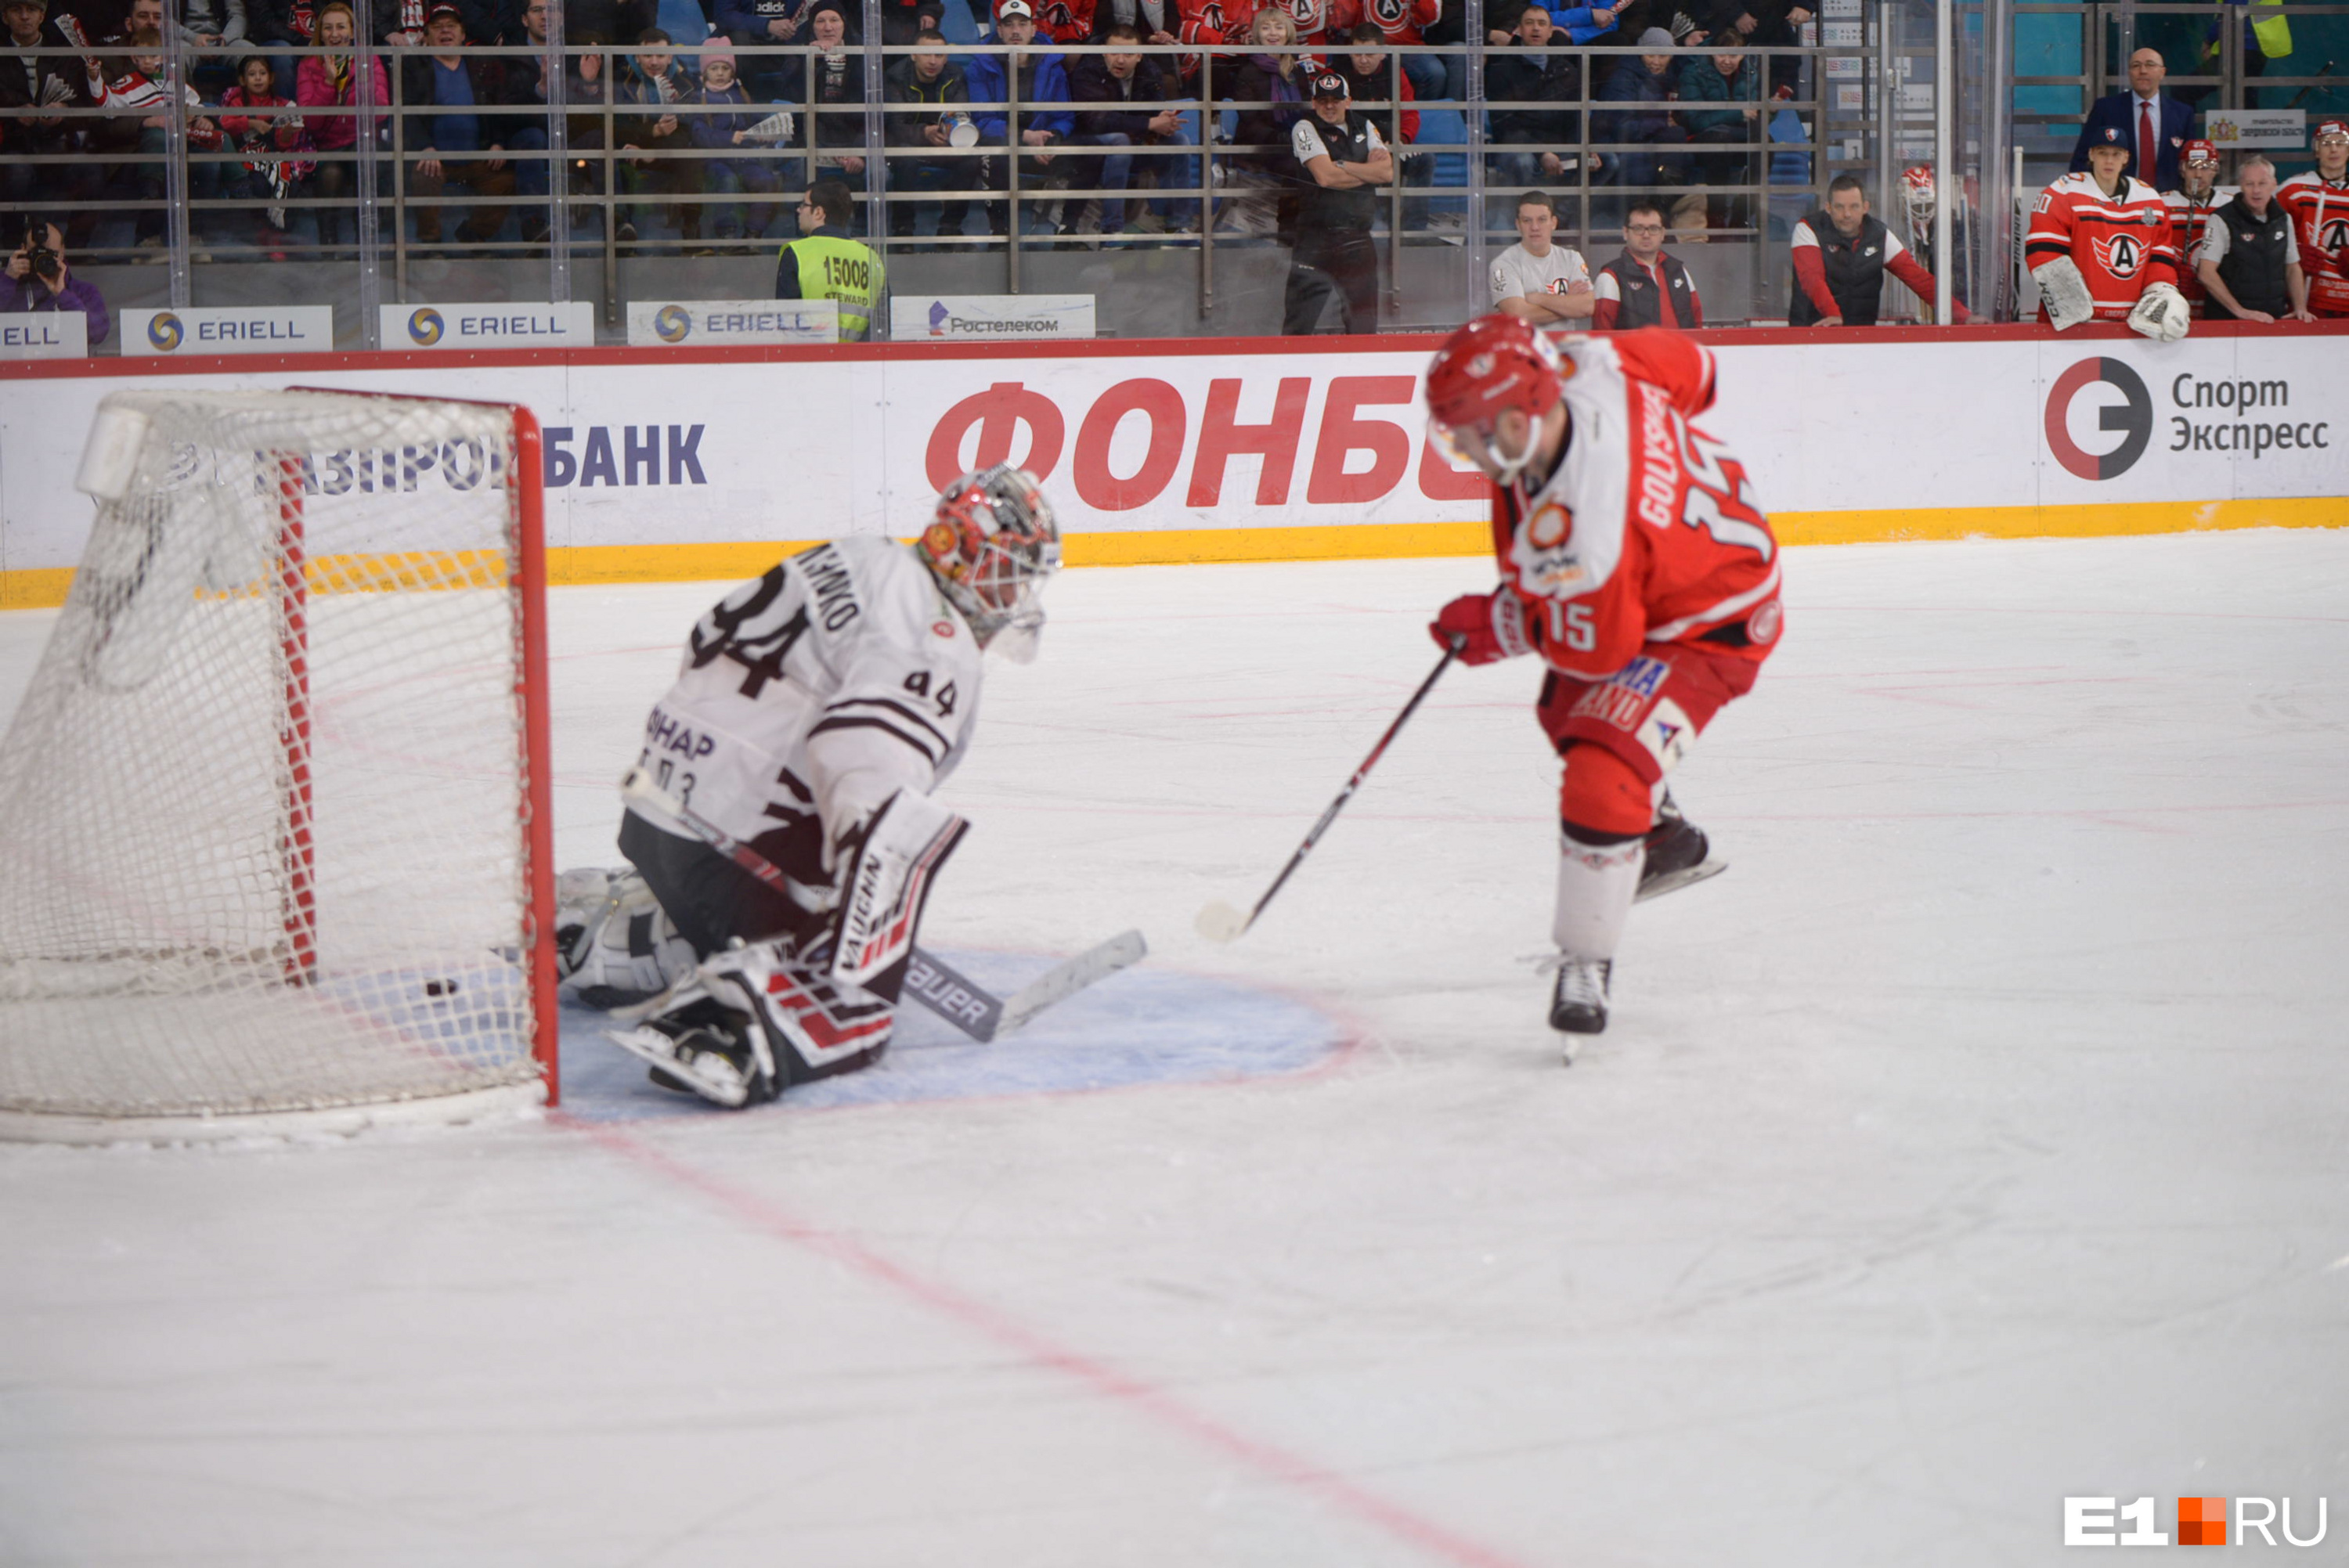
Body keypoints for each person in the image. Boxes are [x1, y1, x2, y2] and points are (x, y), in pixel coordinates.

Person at [575, 466, 1062, 1108]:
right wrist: (851, 913)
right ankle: (730, 1022)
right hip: (727, 852)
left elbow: (705, 638)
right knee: (857, 988)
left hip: (653, 814)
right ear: (954, 548)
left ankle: (618, 933)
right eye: (1005, 568)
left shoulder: (861, 555)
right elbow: (864, 762)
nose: (1013, 592)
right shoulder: (937, 638)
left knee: (792, 864)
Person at [1422, 315, 1778, 1047]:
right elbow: (1696, 369)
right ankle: (1661, 833)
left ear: (1521, 418)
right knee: (1564, 706)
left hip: (1712, 620)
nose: (1463, 450)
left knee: (1599, 769)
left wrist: (1502, 623)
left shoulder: (1586, 531)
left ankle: (1587, 959)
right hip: (1662, 575)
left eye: (1472, 433)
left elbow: (1599, 651)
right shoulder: (1592, 361)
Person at [2028, 124, 2188, 339]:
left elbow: (2159, 257)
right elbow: (2043, 251)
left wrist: (2160, 290)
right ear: (2091, 155)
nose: (2109, 161)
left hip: (2130, 325)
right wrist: (2070, 301)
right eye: (2103, 153)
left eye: (2116, 154)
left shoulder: (2149, 198)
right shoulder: (2064, 192)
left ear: (2126, 158)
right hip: (2073, 326)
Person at [400, 2, 518, 250]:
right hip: (436, 159)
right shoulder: (414, 67)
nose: (445, 32)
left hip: (477, 157)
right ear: (426, 35)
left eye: (451, 26)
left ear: (463, 34)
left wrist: (498, 143)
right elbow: (407, 115)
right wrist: (425, 148)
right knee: (423, 176)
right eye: (438, 27)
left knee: (506, 180)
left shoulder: (480, 65)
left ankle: (473, 235)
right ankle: (431, 245)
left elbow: (498, 109)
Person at [1283, 69, 1389, 334]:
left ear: (1348, 101)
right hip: (1315, 239)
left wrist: (1342, 165)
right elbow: (1326, 177)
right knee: (1299, 325)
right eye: (1323, 100)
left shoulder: (1365, 124)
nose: (1330, 106)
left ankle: (1361, 376)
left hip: (1358, 237)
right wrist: (1366, 172)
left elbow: (1387, 173)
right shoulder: (1304, 127)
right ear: (1314, 102)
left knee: (1364, 327)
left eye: (1336, 99)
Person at [1788, 171, 1967, 326]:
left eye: (1854, 206)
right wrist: (1833, 314)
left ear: (1866, 207)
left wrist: (1963, 315)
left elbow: (1919, 279)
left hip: (1862, 337)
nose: (1847, 214)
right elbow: (1811, 278)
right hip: (1811, 334)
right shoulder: (1808, 228)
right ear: (1828, 207)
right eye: (1839, 207)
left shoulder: (1880, 234)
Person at [1068, 20, 1193, 235]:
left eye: (1128, 54)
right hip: (1091, 146)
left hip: (1133, 141)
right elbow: (1096, 121)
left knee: (1179, 141)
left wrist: (1162, 120)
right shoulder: (1087, 71)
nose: (1120, 59)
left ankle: (1179, 225)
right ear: (1104, 52)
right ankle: (1112, 230)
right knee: (1120, 141)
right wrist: (1149, 123)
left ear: (1139, 56)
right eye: (1114, 52)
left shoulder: (1150, 71)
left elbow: (1154, 111)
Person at [963, 0, 1073, 236]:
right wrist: (1025, 137)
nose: (1016, 31)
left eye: (1023, 24)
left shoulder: (1052, 65)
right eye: (1009, 25)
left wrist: (1052, 138)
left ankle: (1069, 232)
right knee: (995, 150)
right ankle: (1000, 230)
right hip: (1004, 144)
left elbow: (1064, 116)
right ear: (999, 30)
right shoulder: (979, 67)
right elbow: (982, 121)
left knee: (1088, 152)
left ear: (1034, 29)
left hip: (1040, 146)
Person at [1485, 4, 1589, 201]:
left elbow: (1576, 117)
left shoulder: (1566, 69)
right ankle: (1526, 217)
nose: (1535, 28)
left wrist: (1586, 147)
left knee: (1606, 161)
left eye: (1542, 24)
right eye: (1529, 23)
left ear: (1551, 32)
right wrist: (1542, 153)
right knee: (1522, 161)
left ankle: (1560, 218)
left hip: (1558, 145)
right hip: (1518, 147)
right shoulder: (1502, 69)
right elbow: (1505, 124)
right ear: (1520, 30)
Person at [217, 52, 316, 255]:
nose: (258, 78)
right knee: (259, 185)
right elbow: (224, 124)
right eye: (252, 74)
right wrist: (250, 123)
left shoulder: (282, 105)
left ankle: (281, 234)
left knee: (292, 185)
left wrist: (287, 133)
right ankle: (263, 233)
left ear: (271, 77)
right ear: (242, 80)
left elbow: (281, 144)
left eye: (262, 73)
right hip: (247, 162)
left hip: (274, 161)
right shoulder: (236, 101)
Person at [2198, 154, 2316, 323]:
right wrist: (2241, 312)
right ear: (2241, 186)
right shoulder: (2221, 219)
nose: (2256, 190)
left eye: (2262, 183)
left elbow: (2292, 267)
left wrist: (2300, 308)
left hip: (2273, 320)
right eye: (2249, 184)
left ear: (2274, 184)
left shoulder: (2284, 219)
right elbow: (2206, 273)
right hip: (2228, 322)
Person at [689, 37, 786, 243]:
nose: (720, 73)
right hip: (715, 161)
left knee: (767, 181)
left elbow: (755, 121)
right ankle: (727, 234)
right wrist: (729, 138)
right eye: (714, 68)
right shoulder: (698, 98)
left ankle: (753, 234)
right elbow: (699, 134)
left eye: (725, 68)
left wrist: (764, 134)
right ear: (705, 71)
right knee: (727, 180)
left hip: (744, 159)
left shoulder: (741, 94)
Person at [883, 30, 976, 239]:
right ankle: (903, 228)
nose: (933, 61)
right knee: (905, 158)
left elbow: (962, 114)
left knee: (971, 160)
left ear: (946, 57)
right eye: (926, 54)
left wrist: (950, 134)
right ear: (914, 55)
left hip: (943, 142)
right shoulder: (895, 77)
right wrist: (924, 132)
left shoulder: (956, 75)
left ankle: (951, 226)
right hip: (909, 144)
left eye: (939, 55)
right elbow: (895, 126)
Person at [1, 0, 87, 218]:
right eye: (16, 10)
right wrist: (13, 112)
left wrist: (63, 111)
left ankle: (76, 246)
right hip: (13, 144)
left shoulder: (64, 55)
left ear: (42, 16)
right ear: (4, 17)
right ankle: (12, 239)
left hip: (58, 141)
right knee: (17, 172)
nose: (24, 16)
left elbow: (86, 104)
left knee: (91, 171)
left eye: (31, 10)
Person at [2069, 45, 2192, 193]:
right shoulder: (2106, 108)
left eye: (2150, 65)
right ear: (2129, 73)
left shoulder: (2182, 113)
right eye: (2136, 66)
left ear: (2162, 72)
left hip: (2167, 199)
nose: (2143, 71)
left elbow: (2189, 162)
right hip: (2117, 198)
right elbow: (2082, 158)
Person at [615, 25, 696, 243]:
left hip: (667, 152)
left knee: (692, 158)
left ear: (670, 57)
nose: (654, 62)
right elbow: (617, 128)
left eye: (660, 55)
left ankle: (692, 235)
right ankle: (624, 236)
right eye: (647, 55)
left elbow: (688, 132)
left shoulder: (686, 84)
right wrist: (654, 131)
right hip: (632, 151)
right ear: (637, 57)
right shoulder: (621, 82)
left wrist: (654, 152)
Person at [775, 177, 884, 338]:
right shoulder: (872, 258)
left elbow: (787, 323)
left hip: (812, 358)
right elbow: (883, 324)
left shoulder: (796, 253)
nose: (799, 210)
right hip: (861, 359)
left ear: (818, 213)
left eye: (804, 205)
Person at [1596, 27, 1690, 207]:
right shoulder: (1623, 78)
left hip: (1649, 138)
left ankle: (1662, 207)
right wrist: (1662, 122)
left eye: (1662, 56)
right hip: (1620, 143)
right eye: (1650, 55)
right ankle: (1661, 207)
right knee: (1671, 143)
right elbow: (1622, 127)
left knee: (1678, 139)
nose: (1656, 62)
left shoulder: (1670, 78)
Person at [1672, 27, 1754, 229]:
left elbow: (1760, 110)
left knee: (1766, 145)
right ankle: (1715, 214)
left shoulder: (1751, 71)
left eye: (1733, 55)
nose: (1727, 61)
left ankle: (1741, 215)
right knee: (1720, 143)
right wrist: (1739, 113)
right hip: (1702, 138)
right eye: (1722, 54)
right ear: (1711, 52)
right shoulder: (1693, 71)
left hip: (1739, 134)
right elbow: (1695, 120)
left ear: (1742, 55)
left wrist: (1769, 109)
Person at [2275, 119, 2349, 319]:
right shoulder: (2294, 189)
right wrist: (2293, 254)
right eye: (2325, 144)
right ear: (2316, 151)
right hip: (2307, 303)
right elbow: (2265, 239)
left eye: (2340, 143)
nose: (2333, 150)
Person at [1591, 199, 1700, 326]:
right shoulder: (1611, 276)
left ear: (1663, 233)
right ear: (1626, 233)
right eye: (1638, 228)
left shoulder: (1678, 270)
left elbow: (1696, 318)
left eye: (1654, 228)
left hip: (1677, 347)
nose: (1646, 235)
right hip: (1633, 347)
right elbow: (1603, 331)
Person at [1, 218, 109, 346]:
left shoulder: (84, 290)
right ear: (22, 249)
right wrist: (7, 282)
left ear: (62, 252)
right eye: (36, 253)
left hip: (67, 364)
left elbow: (98, 333)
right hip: (14, 363)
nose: (43, 259)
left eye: (51, 254)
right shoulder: (6, 283)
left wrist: (62, 294)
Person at [1490, 190, 1593, 322]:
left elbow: (1588, 306)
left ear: (1554, 223)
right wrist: (1567, 302)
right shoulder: (1503, 264)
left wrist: (1536, 298)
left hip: (1563, 342)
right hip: (1524, 342)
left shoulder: (1572, 258)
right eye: (1527, 221)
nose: (1535, 227)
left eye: (1542, 220)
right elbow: (1518, 315)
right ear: (1518, 225)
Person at [2160, 139, 2233, 312]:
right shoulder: (2163, 203)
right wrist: (2171, 271)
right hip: (2175, 302)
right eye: (2192, 166)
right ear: (2182, 169)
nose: (2199, 174)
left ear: (2215, 170)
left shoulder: (2230, 204)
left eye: (2205, 167)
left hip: (2219, 302)